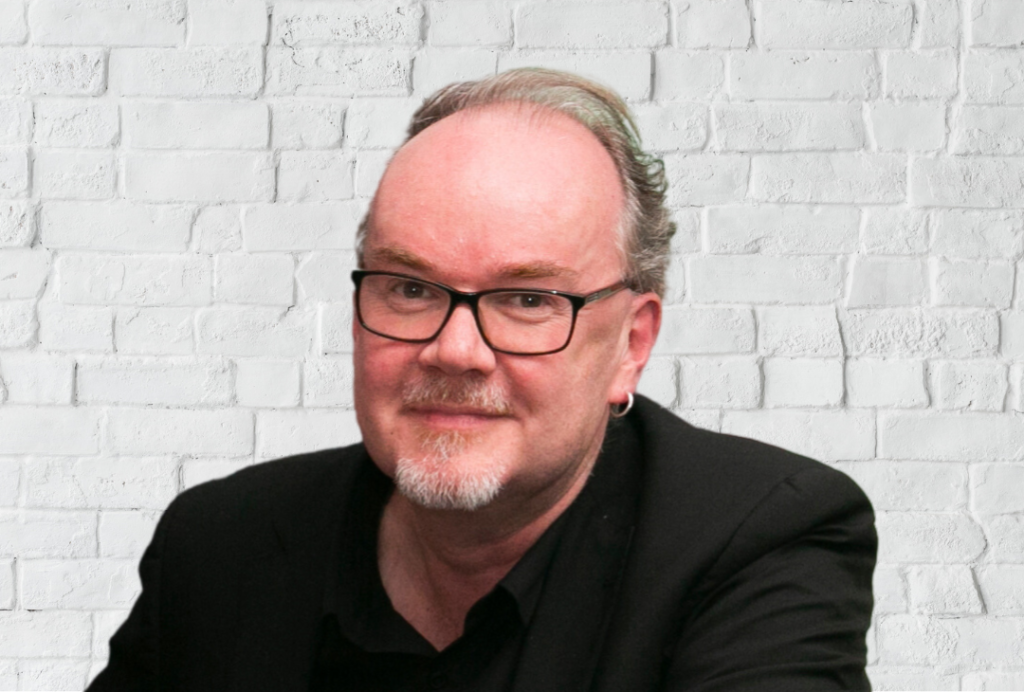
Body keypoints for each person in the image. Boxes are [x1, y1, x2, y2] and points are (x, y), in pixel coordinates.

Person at [88, 69, 876, 691]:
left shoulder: (761, 542)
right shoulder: (220, 545)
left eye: (528, 299)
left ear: (631, 345)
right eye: (410, 288)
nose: (455, 350)